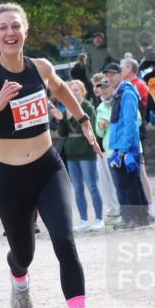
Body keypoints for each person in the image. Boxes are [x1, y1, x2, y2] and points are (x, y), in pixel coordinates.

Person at [0, 3, 103, 308]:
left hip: (48, 169)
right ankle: (18, 279)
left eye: (16, 26)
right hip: (11, 179)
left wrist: (82, 120)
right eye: (3, 28)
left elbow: (61, 87)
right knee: (24, 252)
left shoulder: (40, 67)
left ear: (26, 30)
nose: (10, 33)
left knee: (65, 241)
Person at [52, 80, 103, 232]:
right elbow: (62, 133)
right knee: (78, 188)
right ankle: (84, 219)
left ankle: (99, 218)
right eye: (71, 90)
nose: (73, 93)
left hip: (86, 152)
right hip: (71, 153)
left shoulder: (88, 107)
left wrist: (70, 117)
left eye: (76, 90)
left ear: (83, 91)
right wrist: (61, 119)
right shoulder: (66, 108)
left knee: (92, 186)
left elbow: (89, 127)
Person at [107, 60, 150, 230]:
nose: (108, 79)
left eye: (111, 75)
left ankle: (133, 219)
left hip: (126, 147)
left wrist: (123, 149)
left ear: (120, 75)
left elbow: (131, 123)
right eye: (107, 76)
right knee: (131, 183)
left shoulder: (127, 94)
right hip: (122, 146)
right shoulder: (121, 93)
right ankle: (138, 219)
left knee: (128, 184)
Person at [93, 76, 122, 221]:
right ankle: (112, 211)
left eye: (106, 87)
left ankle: (122, 210)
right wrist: (101, 127)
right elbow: (98, 132)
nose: (103, 90)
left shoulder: (121, 101)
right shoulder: (100, 107)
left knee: (117, 182)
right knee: (104, 182)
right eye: (101, 87)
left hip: (118, 149)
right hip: (105, 149)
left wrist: (110, 122)